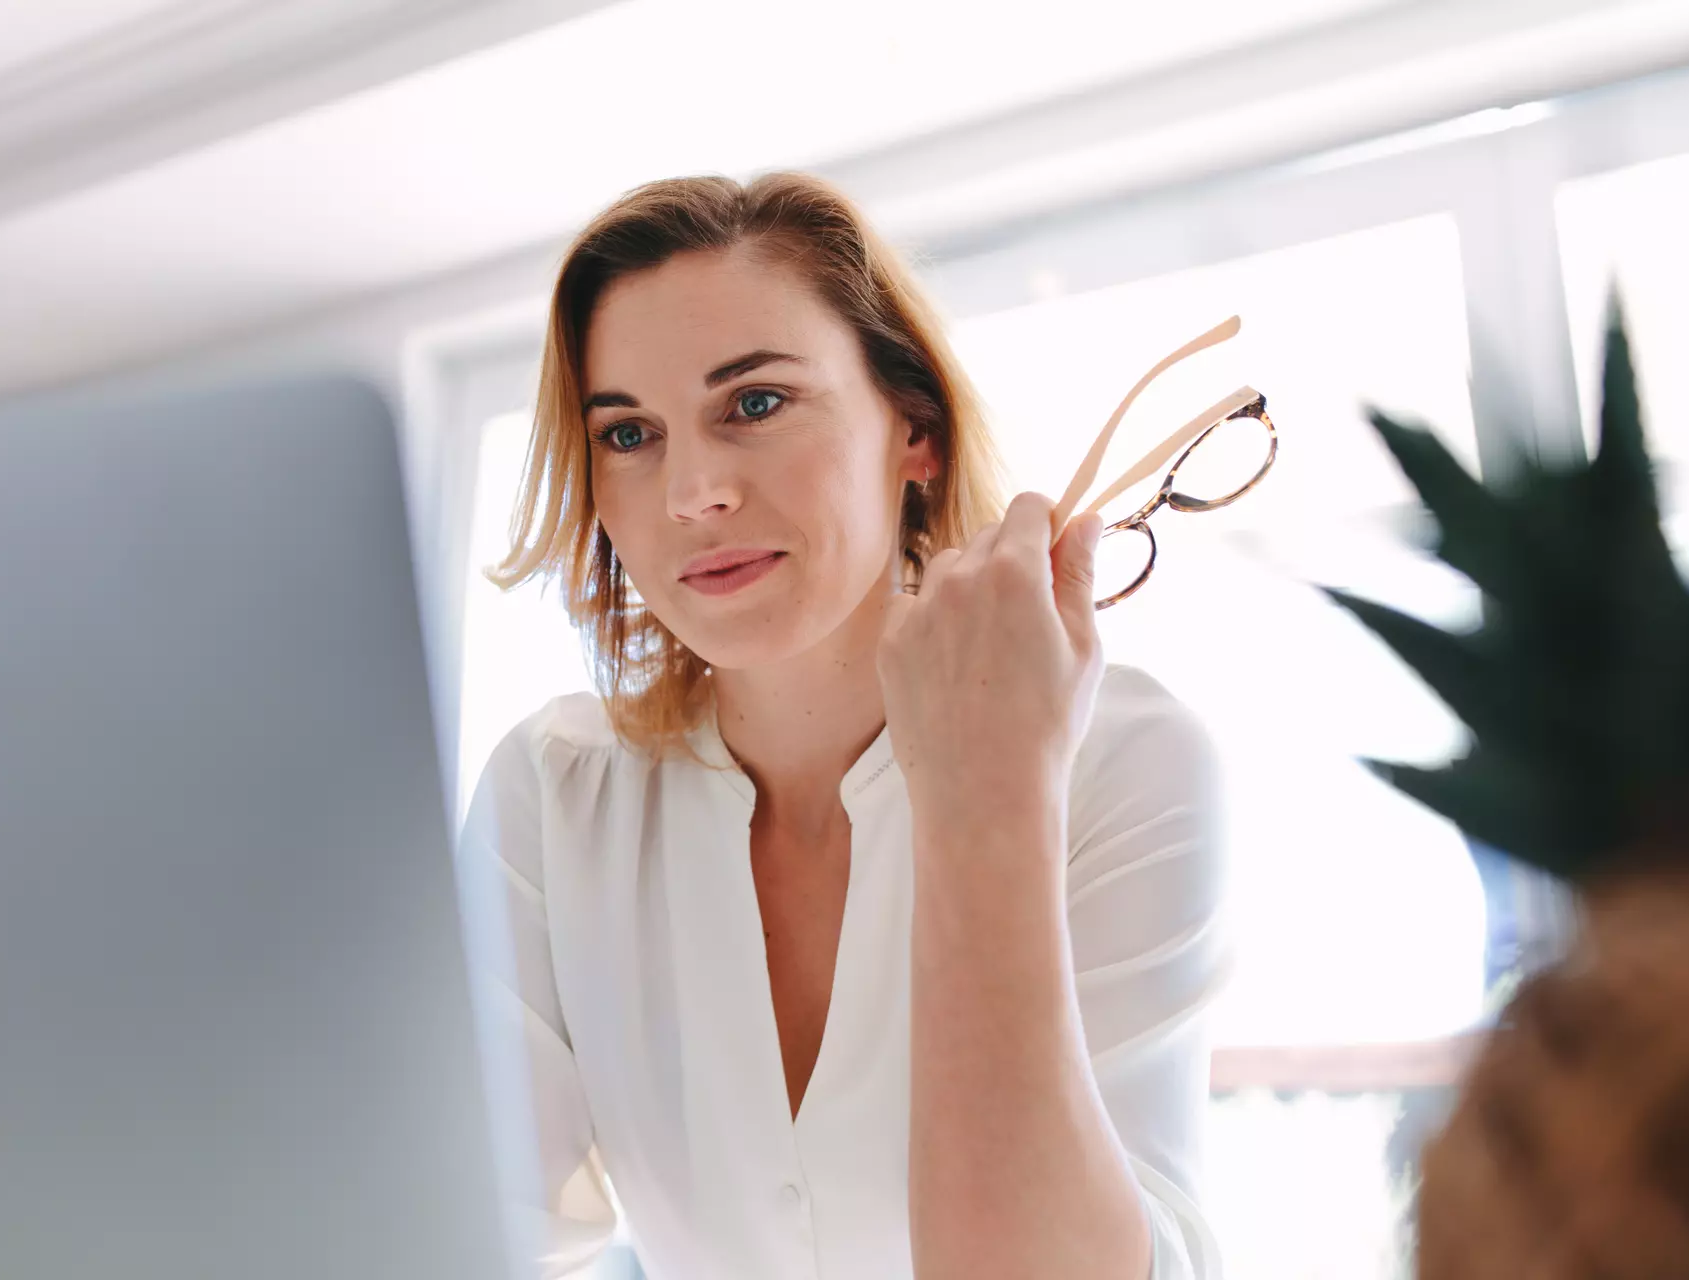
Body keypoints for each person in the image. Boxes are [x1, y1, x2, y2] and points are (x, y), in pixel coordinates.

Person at [458, 171, 1227, 1280]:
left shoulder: (1124, 761)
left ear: (913, 430)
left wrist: (988, 788)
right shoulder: (553, 793)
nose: (693, 491)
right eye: (629, 433)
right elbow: (480, 1235)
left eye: (755, 403)